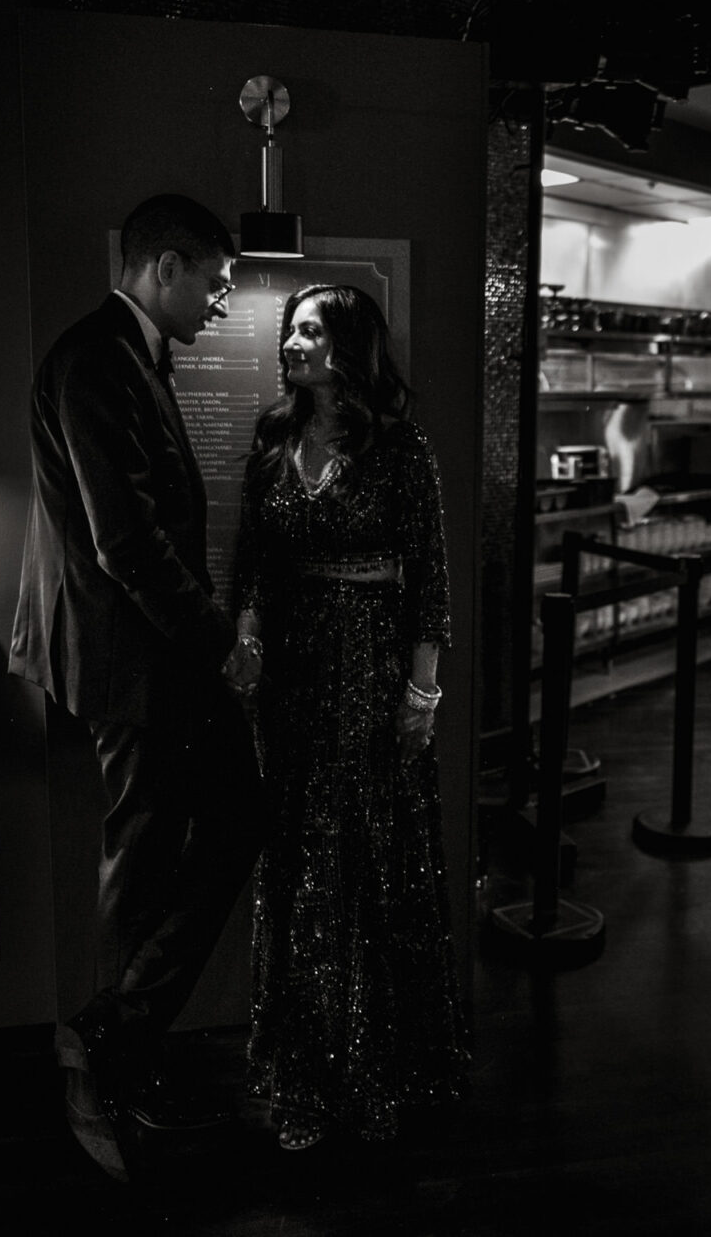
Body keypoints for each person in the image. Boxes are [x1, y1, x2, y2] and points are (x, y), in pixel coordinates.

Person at [8, 193, 266, 1183]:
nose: (220, 299)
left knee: (200, 831)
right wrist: (220, 646)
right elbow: (126, 543)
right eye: (214, 278)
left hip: (148, 655)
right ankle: (113, 1063)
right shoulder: (94, 360)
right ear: (164, 265)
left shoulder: (126, 358)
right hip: (134, 660)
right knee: (146, 856)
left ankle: (114, 1039)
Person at [234, 284, 468, 1151]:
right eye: (290, 328)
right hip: (292, 680)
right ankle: (304, 1075)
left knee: (369, 865)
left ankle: (381, 1072)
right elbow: (253, 557)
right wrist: (250, 629)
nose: (288, 342)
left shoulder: (401, 448)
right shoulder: (272, 435)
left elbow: (431, 580)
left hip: (371, 675)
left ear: (347, 347)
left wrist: (422, 690)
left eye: (306, 329)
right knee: (299, 866)